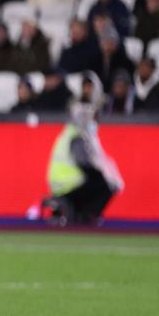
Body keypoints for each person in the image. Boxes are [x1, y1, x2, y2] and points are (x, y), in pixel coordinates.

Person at [45, 74, 123, 226]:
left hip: (61, 183)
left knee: (99, 180)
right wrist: (105, 175)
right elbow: (84, 163)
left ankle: (77, 212)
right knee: (104, 184)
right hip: (68, 184)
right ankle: (86, 216)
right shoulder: (78, 135)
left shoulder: (73, 132)